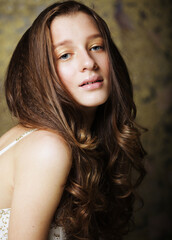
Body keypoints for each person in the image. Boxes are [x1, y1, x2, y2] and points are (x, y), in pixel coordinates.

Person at [0, 1, 146, 239]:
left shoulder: (50, 138)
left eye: (97, 47)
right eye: (65, 55)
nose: (89, 63)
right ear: (41, 72)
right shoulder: (47, 148)